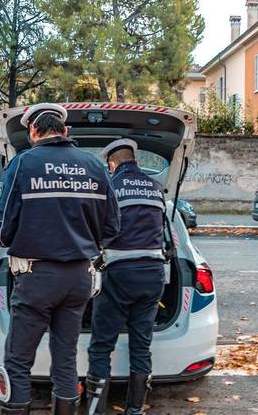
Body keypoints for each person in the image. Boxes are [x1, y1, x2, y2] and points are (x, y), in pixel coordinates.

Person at [0, 103, 120, 415]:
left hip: (37, 279)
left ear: (33, 131)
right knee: (65, 357)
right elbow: (113, 227)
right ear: (66, 131)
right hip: (79, 279)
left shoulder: (22, 164)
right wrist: (86, 242)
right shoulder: (95, 166)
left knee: (18, 359)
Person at [86, 139, 167, 415]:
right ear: (136, 161)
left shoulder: (110, 187)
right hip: (154, 275)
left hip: (119, 275)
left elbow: (97, 231)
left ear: (111, 163)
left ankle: (96, 411)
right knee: (141, 345)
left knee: (100, 346)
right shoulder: (156, 188)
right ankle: (135, 410)